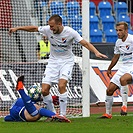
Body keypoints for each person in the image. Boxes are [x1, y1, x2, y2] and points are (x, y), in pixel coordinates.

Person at [9, 14, 108, 118]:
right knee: (44, 90)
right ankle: (53, 115)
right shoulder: (48, 29)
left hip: (66, 62)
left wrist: (96, 52)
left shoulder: (70, 32)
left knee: (61, 85)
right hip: (53, 62)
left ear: (59, 24)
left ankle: (62, 115)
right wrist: (17, 28)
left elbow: (85, 43)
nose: (50, 29)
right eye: (49, 26)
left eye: (52, 26)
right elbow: (34, 28)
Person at [100, 22, 133, 119]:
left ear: (126, 31)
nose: (118, 32)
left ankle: (124, 106)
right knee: (109, 90)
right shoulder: (118, 42)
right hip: (124, 67)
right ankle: (108, 114)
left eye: (120, 30)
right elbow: (116, 57)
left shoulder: (132, 39)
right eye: (117, 30)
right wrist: (109, 68)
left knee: (123, 79)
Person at [4, 75, 70, 122]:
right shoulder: (24, 101)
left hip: (19, 113)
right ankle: (21, 90)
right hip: (25, 113)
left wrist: (51, 98)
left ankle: (53, 116)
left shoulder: (21, 102)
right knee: (37, 110)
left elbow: (6, 118)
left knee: (36, 110)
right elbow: (31, 101)